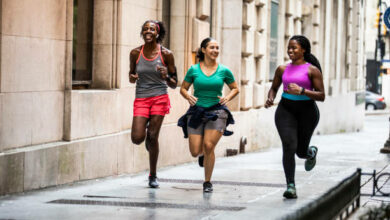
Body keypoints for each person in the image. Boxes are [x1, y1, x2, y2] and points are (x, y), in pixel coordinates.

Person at [265, 35, 325, 199]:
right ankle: (290, 185)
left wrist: (302, 91)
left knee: (300, 152)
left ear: (303, 50)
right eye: (289, 48)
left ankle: (310, 152)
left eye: (294, 48)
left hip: (307, 112)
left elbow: (322, 95)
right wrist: (270, 98)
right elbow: (274, 88)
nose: (290, 51)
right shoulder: (282, 69)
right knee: (289, 145)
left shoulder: (312, 70)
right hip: (286, 110)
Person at [178, 37, 239, 193]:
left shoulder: (224, 70)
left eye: (217, 48)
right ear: (204, 50)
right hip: (197, 111)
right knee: (195, 151)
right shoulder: (194, 70)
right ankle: (203, 155)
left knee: (209, 145)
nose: (215, 50)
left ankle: (207, 182)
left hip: (217, 111)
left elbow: (235, 88)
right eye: (212, 47)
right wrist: (187, 96)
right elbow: (183, 88)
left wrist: (228, 97)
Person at [129, 20, 177, 188]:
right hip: (142, 97)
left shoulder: (166, 54)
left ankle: (153, 175)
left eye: (151, 29)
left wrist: (166, 76)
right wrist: (132, 78)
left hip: (159, 97)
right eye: (145, 29)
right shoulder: (135, 53)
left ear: (157, 33)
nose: (148, 31)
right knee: (137, 138)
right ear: (142, 33)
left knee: (152, 137)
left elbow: (174, 83)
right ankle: (148, 131)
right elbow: (131, 75)